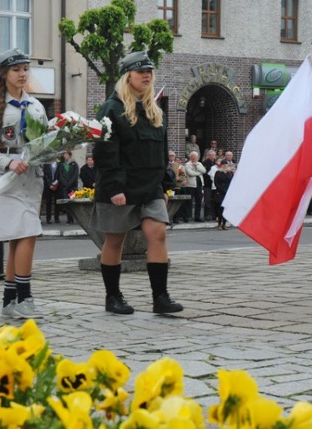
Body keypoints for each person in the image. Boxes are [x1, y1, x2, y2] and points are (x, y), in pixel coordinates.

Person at [91, 51, 182, 315]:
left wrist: (166, 186)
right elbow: (105, 152)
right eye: (140, 71)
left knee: (158, 233)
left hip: (150, 187)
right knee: (115, 241)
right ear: (127, 76)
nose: (146, 75)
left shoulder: (154, 110)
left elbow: (161, 153)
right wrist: (115, 187)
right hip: (120, 186)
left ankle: (160, 297)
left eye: (149, 71)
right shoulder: (112, 109)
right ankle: (113, 296)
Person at [0, 48, 48, 318]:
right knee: (27, 232)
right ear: (3, 74)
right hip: (6, 178)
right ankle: (25, 297)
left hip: (31, 177)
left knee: (20, 239)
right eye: (17, 69)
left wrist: (53, 149)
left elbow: (42, 142)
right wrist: (8, 162)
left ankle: (9, 299)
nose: (23, 74)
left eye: (26, 68)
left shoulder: (36, 106)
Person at [57, 150, 78, 224]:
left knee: (73, 202)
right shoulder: (62, 165)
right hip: (65, 188)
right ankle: (69, 219)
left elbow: (75, 175)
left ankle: (73, 218)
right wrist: (65, 183)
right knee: (67, 203)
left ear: (69, 155)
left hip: (72, 187)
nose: (64, 156)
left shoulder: (74, 164)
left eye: (66, 154)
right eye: (64, 154)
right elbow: (61, 175)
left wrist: (69, 183)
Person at [184, 151, 206, 222]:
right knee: (189, 202)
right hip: (191, 185)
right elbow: (190, 173)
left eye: (196, 157)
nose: (194, 158)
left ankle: (197, 216)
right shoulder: (187, 164)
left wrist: (197, 166)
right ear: (190, 157)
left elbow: (204, 171)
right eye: (193, 156)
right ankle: (187, 217)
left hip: (199, 185)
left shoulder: (199, 163)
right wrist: (199, 173)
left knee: (199, 202)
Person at [214, 161, 235, 230]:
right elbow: (216, 182)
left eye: (226, 165)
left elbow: (232, 181)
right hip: (220, 192)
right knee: (220, 208)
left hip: (228, 192)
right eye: (223, 165)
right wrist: (221, 189)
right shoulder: (218, 172)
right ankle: (219, 224)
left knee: (226, 208)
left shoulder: (230, 173)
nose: (225, 166)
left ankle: (224, 224)